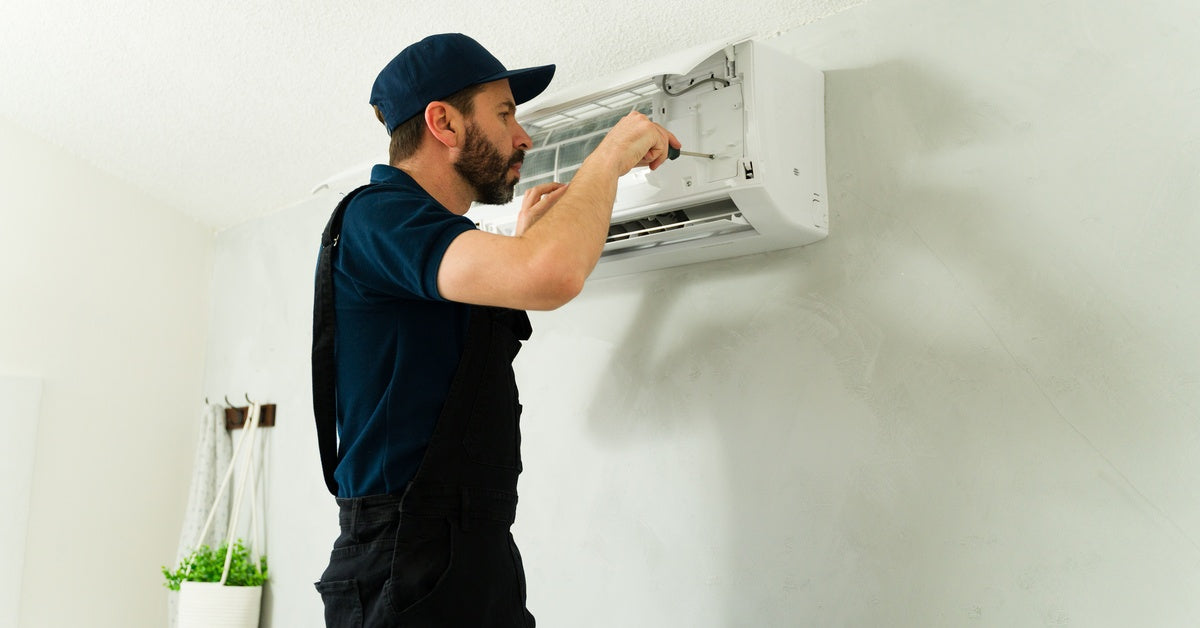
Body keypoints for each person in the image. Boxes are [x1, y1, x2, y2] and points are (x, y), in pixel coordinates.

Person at [310, 33, 678, 627]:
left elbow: (461, 367)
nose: (524, 135)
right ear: (444, 124)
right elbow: (550, 275)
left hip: (467, 553)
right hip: (407, 563)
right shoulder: (378, 215)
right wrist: (610, 156)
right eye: (505, 113)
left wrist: (521, 245)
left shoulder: (428, 251)